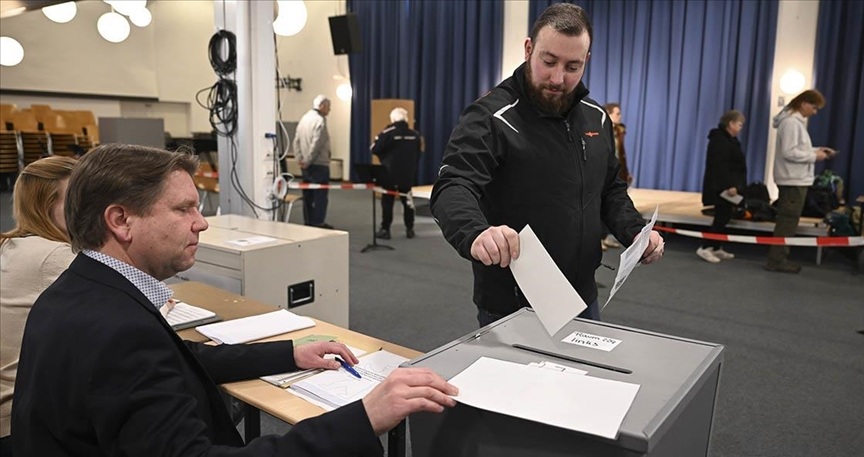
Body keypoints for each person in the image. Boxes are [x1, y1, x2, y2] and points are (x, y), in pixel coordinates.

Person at [11, 144, 457, 456]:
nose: (201, 224)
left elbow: (177, 357)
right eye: (183, 209)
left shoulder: (78, 289)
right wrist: (365, 416)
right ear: (121, 220)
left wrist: (291, 353)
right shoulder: (118, 329)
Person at [430, 3, 664, 327]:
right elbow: (453, 185)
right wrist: (476, 233)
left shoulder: (596, 116)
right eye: (548, 61)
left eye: (572, 66)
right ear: (529, 49)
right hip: (511, 306)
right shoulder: (491, 116)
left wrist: (635, 231)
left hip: (583, 296)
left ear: (587, 61)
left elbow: (610, 189)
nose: (557, 78)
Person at [0, 156, 77, 454]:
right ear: (46, 206)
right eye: (76, 200)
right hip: (20, 425)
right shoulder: (55, 256)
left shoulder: (11, 244)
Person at [765, 89, 835, 273]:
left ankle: (779, 257)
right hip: (792, 179)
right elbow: (789, 152)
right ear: (803, 103)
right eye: (814, 107)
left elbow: (797, 148)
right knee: (787, 221)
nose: (815, 111)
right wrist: (814, 156)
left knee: (789, 220)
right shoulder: (790, 123)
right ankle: (777, 260)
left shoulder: (794, 122)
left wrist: (818, 150)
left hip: (795, 178)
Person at [697, 110, 747, 263]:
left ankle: (716, 247)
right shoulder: (719, 140)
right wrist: (729, 185)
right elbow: (720, 166)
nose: (740, 128)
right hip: (722, 187)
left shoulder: (731, 140)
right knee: (720, 218)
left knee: (724, 217)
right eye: (739, 124)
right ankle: (705, 247)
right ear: (730, 123)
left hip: (729, 186)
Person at [371, 107, 422, 239]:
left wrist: (385, 158)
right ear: (406, 119)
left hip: (389, 173)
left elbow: (374, 149)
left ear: (393, 119)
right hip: (408, 174)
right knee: (408, 201)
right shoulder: (415, 135)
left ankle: (385, 229)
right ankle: (410, 229)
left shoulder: (387, 133)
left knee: (387, 201)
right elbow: (418, 154)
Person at [293, 95, 334, 229]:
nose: (330, 110)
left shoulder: (304, 119)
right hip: (318, 165)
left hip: (306, 165)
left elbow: (296, 141)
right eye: (328, 107)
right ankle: (318, 222)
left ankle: (309, 221)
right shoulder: (320, 121)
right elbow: (317, 144)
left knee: (308, 195)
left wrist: (300, 160)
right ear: (322, 106)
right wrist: (308, 160)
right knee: (320, 196)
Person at [599, 102, 630, 250]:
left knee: (614, 205)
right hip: (601, 173)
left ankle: (606, 237)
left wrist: (625, 173)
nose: (620, 116)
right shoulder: (599, 130)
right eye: (617, 113)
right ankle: (598, 238)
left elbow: (620, 154)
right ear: (608, 114)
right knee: (599, 207)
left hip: (615, 172)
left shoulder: (618, 131)